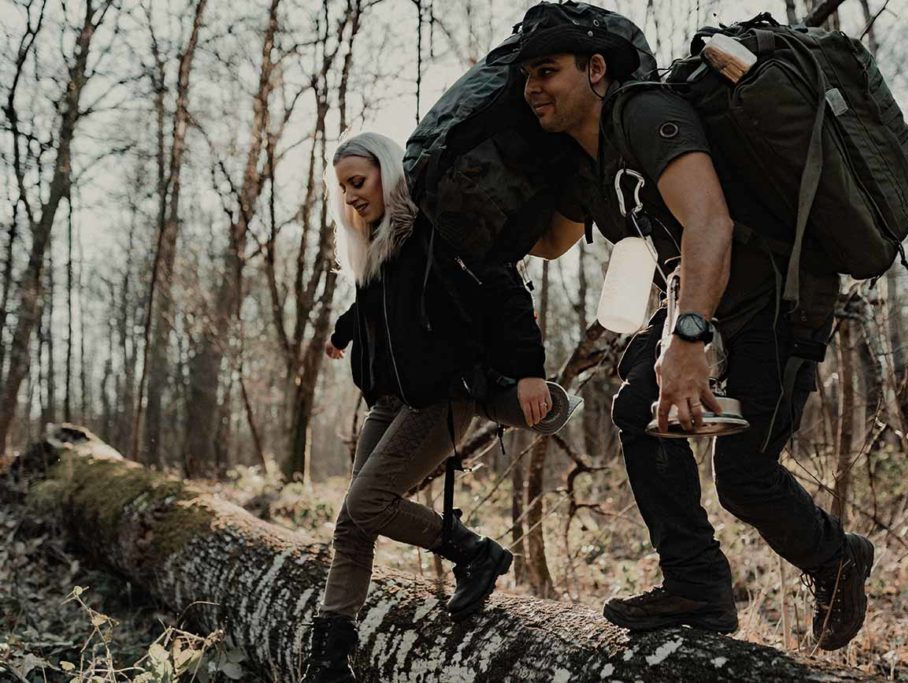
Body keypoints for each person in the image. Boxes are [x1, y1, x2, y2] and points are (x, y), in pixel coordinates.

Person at [510, 4, 873, 651]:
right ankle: (698, 582)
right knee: (634, 406)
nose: (533, 86)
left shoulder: (648, 115)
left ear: (595, 69)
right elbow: (549, 240)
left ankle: (839, 559)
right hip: (711, 296)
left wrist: (687, 339)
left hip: (778, 299)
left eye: (547, 70)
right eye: (525, 76)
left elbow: (710, 224)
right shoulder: (591, 162)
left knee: (744, 477)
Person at [301, 132, 552, 683]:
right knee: (351, 525)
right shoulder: (378, 246)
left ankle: (475, 553)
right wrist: (345, 330)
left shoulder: (435, 229)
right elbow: (376, 303)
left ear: (388, 172)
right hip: (390, 402)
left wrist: (531, 369)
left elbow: (503, 286)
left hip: (441, 396)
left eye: (358, 182)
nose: (351, 196)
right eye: (343, 188)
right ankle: (330, 662)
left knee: (368, 502)